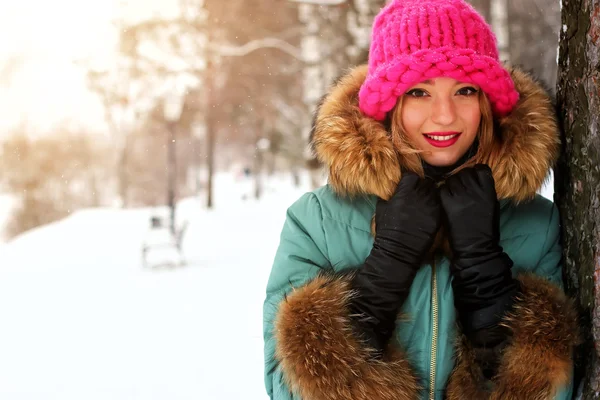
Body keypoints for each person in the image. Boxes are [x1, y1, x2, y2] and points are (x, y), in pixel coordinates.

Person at [263, 0, 580, 398]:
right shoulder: (316, 221)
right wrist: (384, 274)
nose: (445, 116)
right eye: (418, 92)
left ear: (486, 103)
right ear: (389, 104)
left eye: (465, 90)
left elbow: (558, 391)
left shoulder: (537, 222)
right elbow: (284, 388)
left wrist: (486, 276)